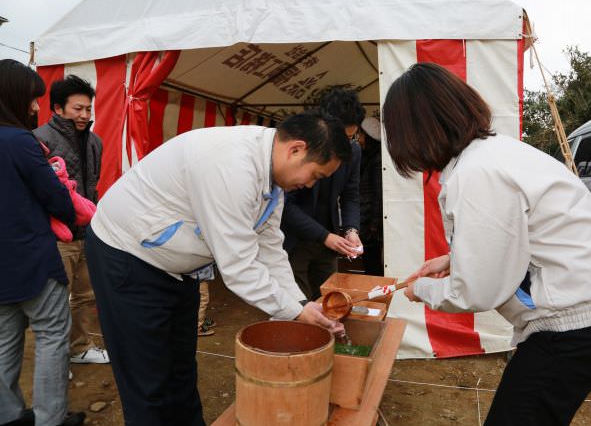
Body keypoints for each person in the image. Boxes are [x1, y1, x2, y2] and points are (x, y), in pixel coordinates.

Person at [383, 63, 591, 426]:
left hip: (573, 330)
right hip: (589, 318)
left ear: (414, 132)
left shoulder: (476, 174)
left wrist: (422, 290)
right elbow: (513, 239)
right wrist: (450, 259)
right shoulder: (494, 154)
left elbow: (477, 291)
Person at [85, 110, 349, 426]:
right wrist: (296, 314)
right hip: (128, 256)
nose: (309, 185)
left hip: (178, 268)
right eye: (316, 175)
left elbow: (268, 247)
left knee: (181, 367)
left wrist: (301, 303)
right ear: (296, 149)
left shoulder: (273, 178)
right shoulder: (231, 167)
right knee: (147, 379)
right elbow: (239, 266)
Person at [0, 59, 86, 426]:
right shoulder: (20, 141)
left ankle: (7, 415)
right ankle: (50, 419)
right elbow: (57, 199)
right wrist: (73, 210)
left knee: (4, 343)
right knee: (52, 337)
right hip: (32, 259)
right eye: (32, 99)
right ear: (14, 98)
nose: (36, 107)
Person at [34, 75, 109, 365]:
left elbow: (93, 185)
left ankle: (79, 347)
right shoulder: (39, 139)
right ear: (58, 108)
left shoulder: (95, 142)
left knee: (85, 295)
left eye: (88, 109)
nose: (85, 115)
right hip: (54, 236)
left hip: (87, 234)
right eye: (78, 108)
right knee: (52, 301)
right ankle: (51, 364)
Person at [281, 87, 364, 299]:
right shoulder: (300, 148)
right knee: (297, 301)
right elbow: (284, 205)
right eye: (343, 137)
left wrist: (351, 229)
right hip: (296, 239)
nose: (347, 144)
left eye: (352, 137)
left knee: (329, 299)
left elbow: (351, 194)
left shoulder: (353, 151)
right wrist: (324, 236)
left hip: (329, 239)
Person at [357, 116, 384, 275]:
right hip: (367, 219)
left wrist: (374, 224)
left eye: (360, 135)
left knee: (372, 264)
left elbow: (378, 194)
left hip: (370, 223)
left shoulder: (377, 160)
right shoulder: (369, 157)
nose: (359, 139)